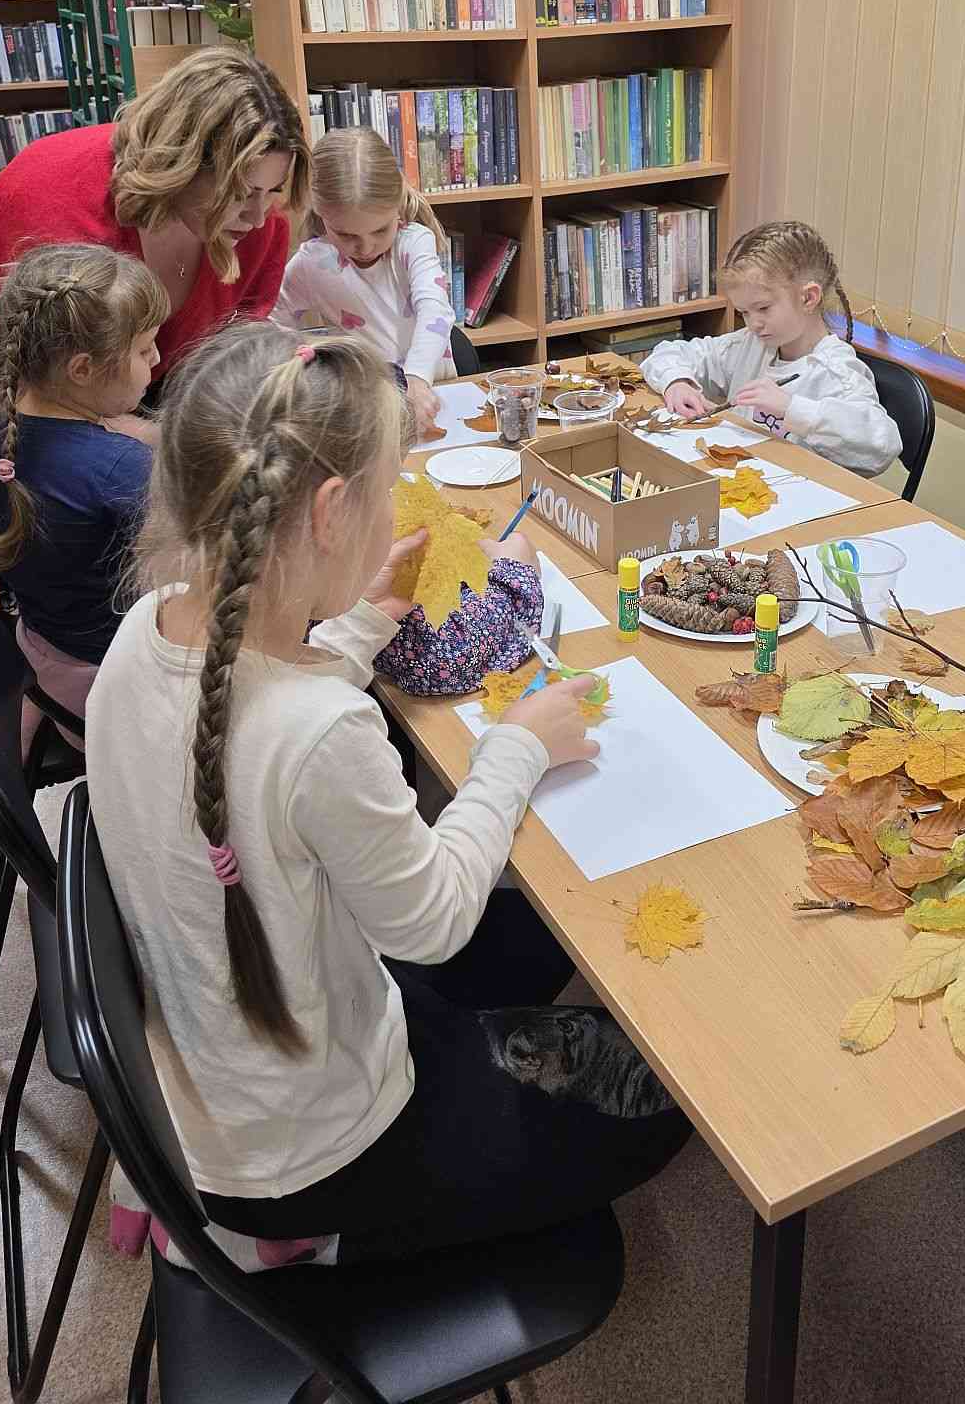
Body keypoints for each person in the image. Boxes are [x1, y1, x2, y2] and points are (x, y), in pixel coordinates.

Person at [86, 323, 689, 1262]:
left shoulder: (141, 633)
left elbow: (265, 702)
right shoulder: (319, 733)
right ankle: (330, 1251)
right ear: (331, 513)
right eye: (389, 489)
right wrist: (516, 749)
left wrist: (366, 619)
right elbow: (431, 923)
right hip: (314, 1153)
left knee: (536, 925)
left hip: (224, 1084)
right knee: (660, 1101)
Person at [0, 47, 308, 422]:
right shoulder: (52, 200)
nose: (258, 217)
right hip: (25, 376)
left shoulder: (262, 227)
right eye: (239, 193)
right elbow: (47, 396)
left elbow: (224, 362)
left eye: (273, 191)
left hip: (138, 380)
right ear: (181, 163)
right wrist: (159, 442)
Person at [0, 243, 167, 742]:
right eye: (144, 350)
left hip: (47, 657)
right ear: (81, 369)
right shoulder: (120, 469)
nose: (157, 359)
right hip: (115, 697)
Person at [642, 217, 901, 474]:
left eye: (763, 308)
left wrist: (792, 408)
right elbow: (669, 353)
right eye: (744, 312)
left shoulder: (836, 371)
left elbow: (882, 444)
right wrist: (676, 382)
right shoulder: (752, 344)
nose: (754, 323)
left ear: (808, 298)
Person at [273, 126, 454, 435]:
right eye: (346, 235)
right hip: (364, 405)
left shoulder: (412, 243)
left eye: (381, 230)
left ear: (397, 207)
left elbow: (435, 311)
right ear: (321, 213)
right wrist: (300, 359)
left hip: (434, 389)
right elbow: (271, 322)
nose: (366, 247)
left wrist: (417, 379)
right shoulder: (311, 262)